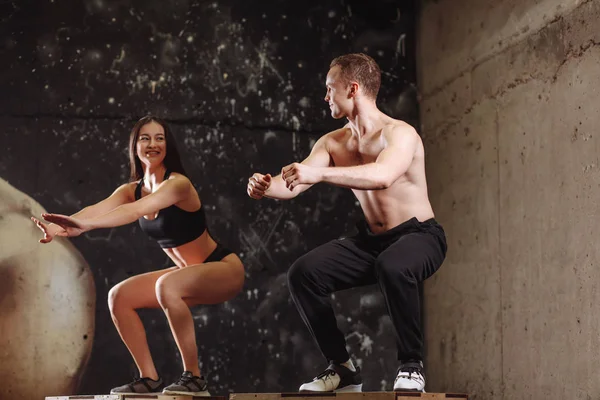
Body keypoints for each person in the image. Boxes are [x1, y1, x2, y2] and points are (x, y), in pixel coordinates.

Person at [247, 53, 446, 393]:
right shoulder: (333, 142)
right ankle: (342, 369)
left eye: (329, 89)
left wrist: (319, 173)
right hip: (372, 243)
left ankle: (411, 365)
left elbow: (383, 176)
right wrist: (267, 188)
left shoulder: (400, 134)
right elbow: (296, 183)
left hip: (419, 236)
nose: (325, 98)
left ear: (352, 89)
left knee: (394, 265)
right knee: (303, 273)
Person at [32, 115, 244, 396]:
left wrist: (87, 227)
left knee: (166, 285)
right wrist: (62, 227)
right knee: (119, 296)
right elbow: (97, 209)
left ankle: (194, 378)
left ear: (168, 146)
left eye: (160, 138)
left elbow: (133, 212)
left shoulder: (178, 184)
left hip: (221, 268)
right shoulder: (132, 189)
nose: (153, 144)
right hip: (184, 275)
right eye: (145, 138)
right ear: (135, 146)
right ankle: (149, 378)